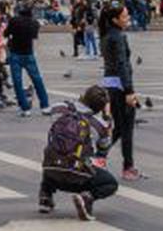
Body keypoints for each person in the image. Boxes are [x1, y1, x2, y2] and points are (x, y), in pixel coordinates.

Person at [38, 85, 118, 219]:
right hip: (78, 176)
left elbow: (45, 111)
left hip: (51, 170)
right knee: (111, 183)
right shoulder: (99, 124)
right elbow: (104, 147)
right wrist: (107, 118)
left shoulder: (62, 107)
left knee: (55, 154)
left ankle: (45, 196)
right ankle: (87, 197)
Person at [99, 1, 142, 179]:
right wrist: (129, 90)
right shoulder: (118, 37)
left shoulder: (106, 34)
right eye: (125, 16)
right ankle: (128, 167)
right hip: (120, 85)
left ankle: (98, 156)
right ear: (115, 20)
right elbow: (122, 64)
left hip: (110, 83)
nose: (128, 18)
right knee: (127, 129)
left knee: (118, 128)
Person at [6, 1, 49, 115]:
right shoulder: (34, 23)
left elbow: (6, 33)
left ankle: (25, 108)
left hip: (15, 54)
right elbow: (34, 37)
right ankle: (45, 105)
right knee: (37, 79)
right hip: (28, 54)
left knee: (17, 82)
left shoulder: (14, 21)